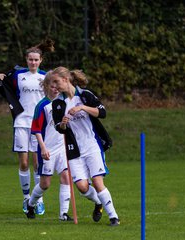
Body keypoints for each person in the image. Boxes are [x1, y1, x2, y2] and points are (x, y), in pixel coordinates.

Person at [50, 67, 120, 226]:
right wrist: (63, 125)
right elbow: (58, 128)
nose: (54, 86)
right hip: (74, 150)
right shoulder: (58, 104)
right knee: (82, 187)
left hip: (92, 145)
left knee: (97, 182)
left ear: (66, 79)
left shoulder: (85, 95)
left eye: (57, 81)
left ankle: (113, 217)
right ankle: (98, 202)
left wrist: (82, 107)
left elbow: (102, 112)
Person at [0, 39, 55, 215]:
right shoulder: (19, 75)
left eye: (36, 60)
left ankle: (38, 199)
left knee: (37, 163)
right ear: (26, 60)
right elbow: (3, 83)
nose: (33, 62)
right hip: (21, 122)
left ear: (41, 60)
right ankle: (26, 198)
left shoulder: (46, 77)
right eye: (30, 60)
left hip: (39, 125)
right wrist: (0, 78)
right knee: (24, 163)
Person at [26, 73, 72, 221]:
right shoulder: (42, 106)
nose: (55, 89)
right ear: (46, 87)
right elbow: (36, 129)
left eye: (57, 86)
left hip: (62, 147)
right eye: (52, 86)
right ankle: (31, 204)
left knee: (65, 177)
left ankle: (63, 214)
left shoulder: (64, 101)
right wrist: (43, 148)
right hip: (47, 148)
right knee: (45, 184)